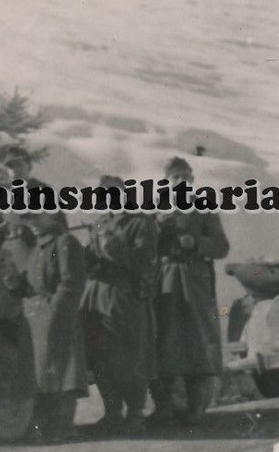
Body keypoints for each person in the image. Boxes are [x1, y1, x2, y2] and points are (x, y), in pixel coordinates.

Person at [150, 157, 230, 426]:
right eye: (176, 178)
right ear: (166, 182)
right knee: (164, 340)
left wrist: (195, 242)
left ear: (193, 180)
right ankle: (166, 407)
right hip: (163, 280)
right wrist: (157, 226)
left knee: (195, 339)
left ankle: (196, 405)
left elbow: (221, 247)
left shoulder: (203, 208)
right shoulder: (155, 209)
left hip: (193, 280)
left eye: (185, 178)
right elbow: (141, 243)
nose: (181, 182)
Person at [80, 175, 159, 435]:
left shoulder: (141, 222)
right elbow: (93, 256)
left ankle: (136, 412)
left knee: (128, 355)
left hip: (125, 296)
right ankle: (112, 411)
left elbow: (145, 263)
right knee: (101, 356)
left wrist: (114, 249)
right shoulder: (100, 222)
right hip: (96, 296)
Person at [15, 211, 89, 441]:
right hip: (38, 320)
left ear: (52, 215)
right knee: (42, 376)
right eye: (28, 219)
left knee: (64, 373)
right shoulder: (37, 248)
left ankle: (63, 427)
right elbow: (33, 285)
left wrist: (54, 310)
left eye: (36, 216)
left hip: (60, 319)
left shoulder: (65, 242)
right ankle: (43, 428)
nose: (32, 223)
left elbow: (71, 284)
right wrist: (16, 286)